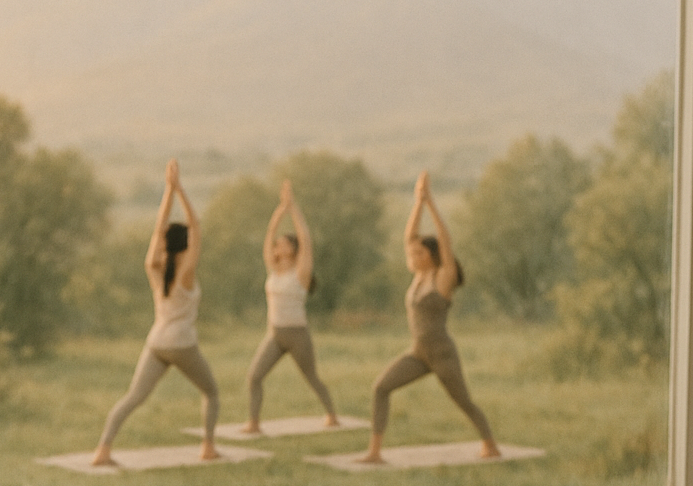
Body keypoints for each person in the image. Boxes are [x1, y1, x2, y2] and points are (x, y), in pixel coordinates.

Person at [358, 171, 500, 463]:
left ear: (431, 255)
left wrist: (432, 204)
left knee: (463, 401)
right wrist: (417, 202)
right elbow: (409, 236)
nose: (413, 254)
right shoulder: (418, 275)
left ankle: (490, 444)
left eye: (419, 252)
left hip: (442, 354)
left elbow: (445, 240)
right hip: (418, 353)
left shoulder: (443, 277)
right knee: (381, 388)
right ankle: (374, 452)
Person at [92, 159, 220, 466]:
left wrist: (168, 191)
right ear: (185, 245)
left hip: (156, 342)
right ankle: (207, 447)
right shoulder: (186, 273)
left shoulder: (154, 267)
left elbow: (157, 229)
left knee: (133, 397)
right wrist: (181, 190)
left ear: (165, 243)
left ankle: (103, 450)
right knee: (212, 392)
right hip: (182, 343)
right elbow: (196, 225)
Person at [241, 180, 339, 434]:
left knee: (311, 377)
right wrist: (279, 211)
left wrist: (294, 209)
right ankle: (254, 423)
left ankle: (331, 414)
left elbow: (306, 240)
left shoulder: (301, 273)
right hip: (275, 333)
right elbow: (268, 238)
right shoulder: (274, 270)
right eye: (278, 244)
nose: (278, 246)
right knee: (254, 376)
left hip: (297, 335)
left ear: (293, 250)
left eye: (284, 243)